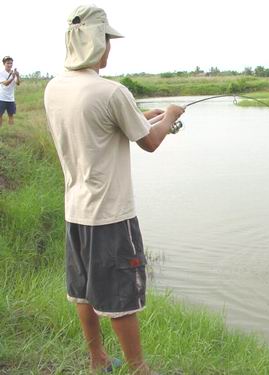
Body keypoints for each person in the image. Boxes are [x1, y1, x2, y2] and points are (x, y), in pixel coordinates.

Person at [44, 5, 184, 374]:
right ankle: (139, 369)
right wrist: (170, 114)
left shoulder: (54, 88)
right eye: (107, 40)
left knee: (84, 292)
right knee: (122, 297)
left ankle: (98, 360)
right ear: (94, 42)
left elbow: (107, 127)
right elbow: (150, 142)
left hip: (76, 209)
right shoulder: (111, 91)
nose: (109, 48)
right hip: (111, 214)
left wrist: (145, 117)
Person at [0, 56, 21, 126]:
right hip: (1, 98)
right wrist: (13, 77)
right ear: (4, 64)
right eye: (7, 63)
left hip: (11, 99)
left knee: (11, 115)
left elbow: (18, 83)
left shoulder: (13, 73)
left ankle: (11, 130)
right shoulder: (1, 73)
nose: (9, 65)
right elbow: (6, 83)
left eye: (11, 63)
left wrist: (17, 76)